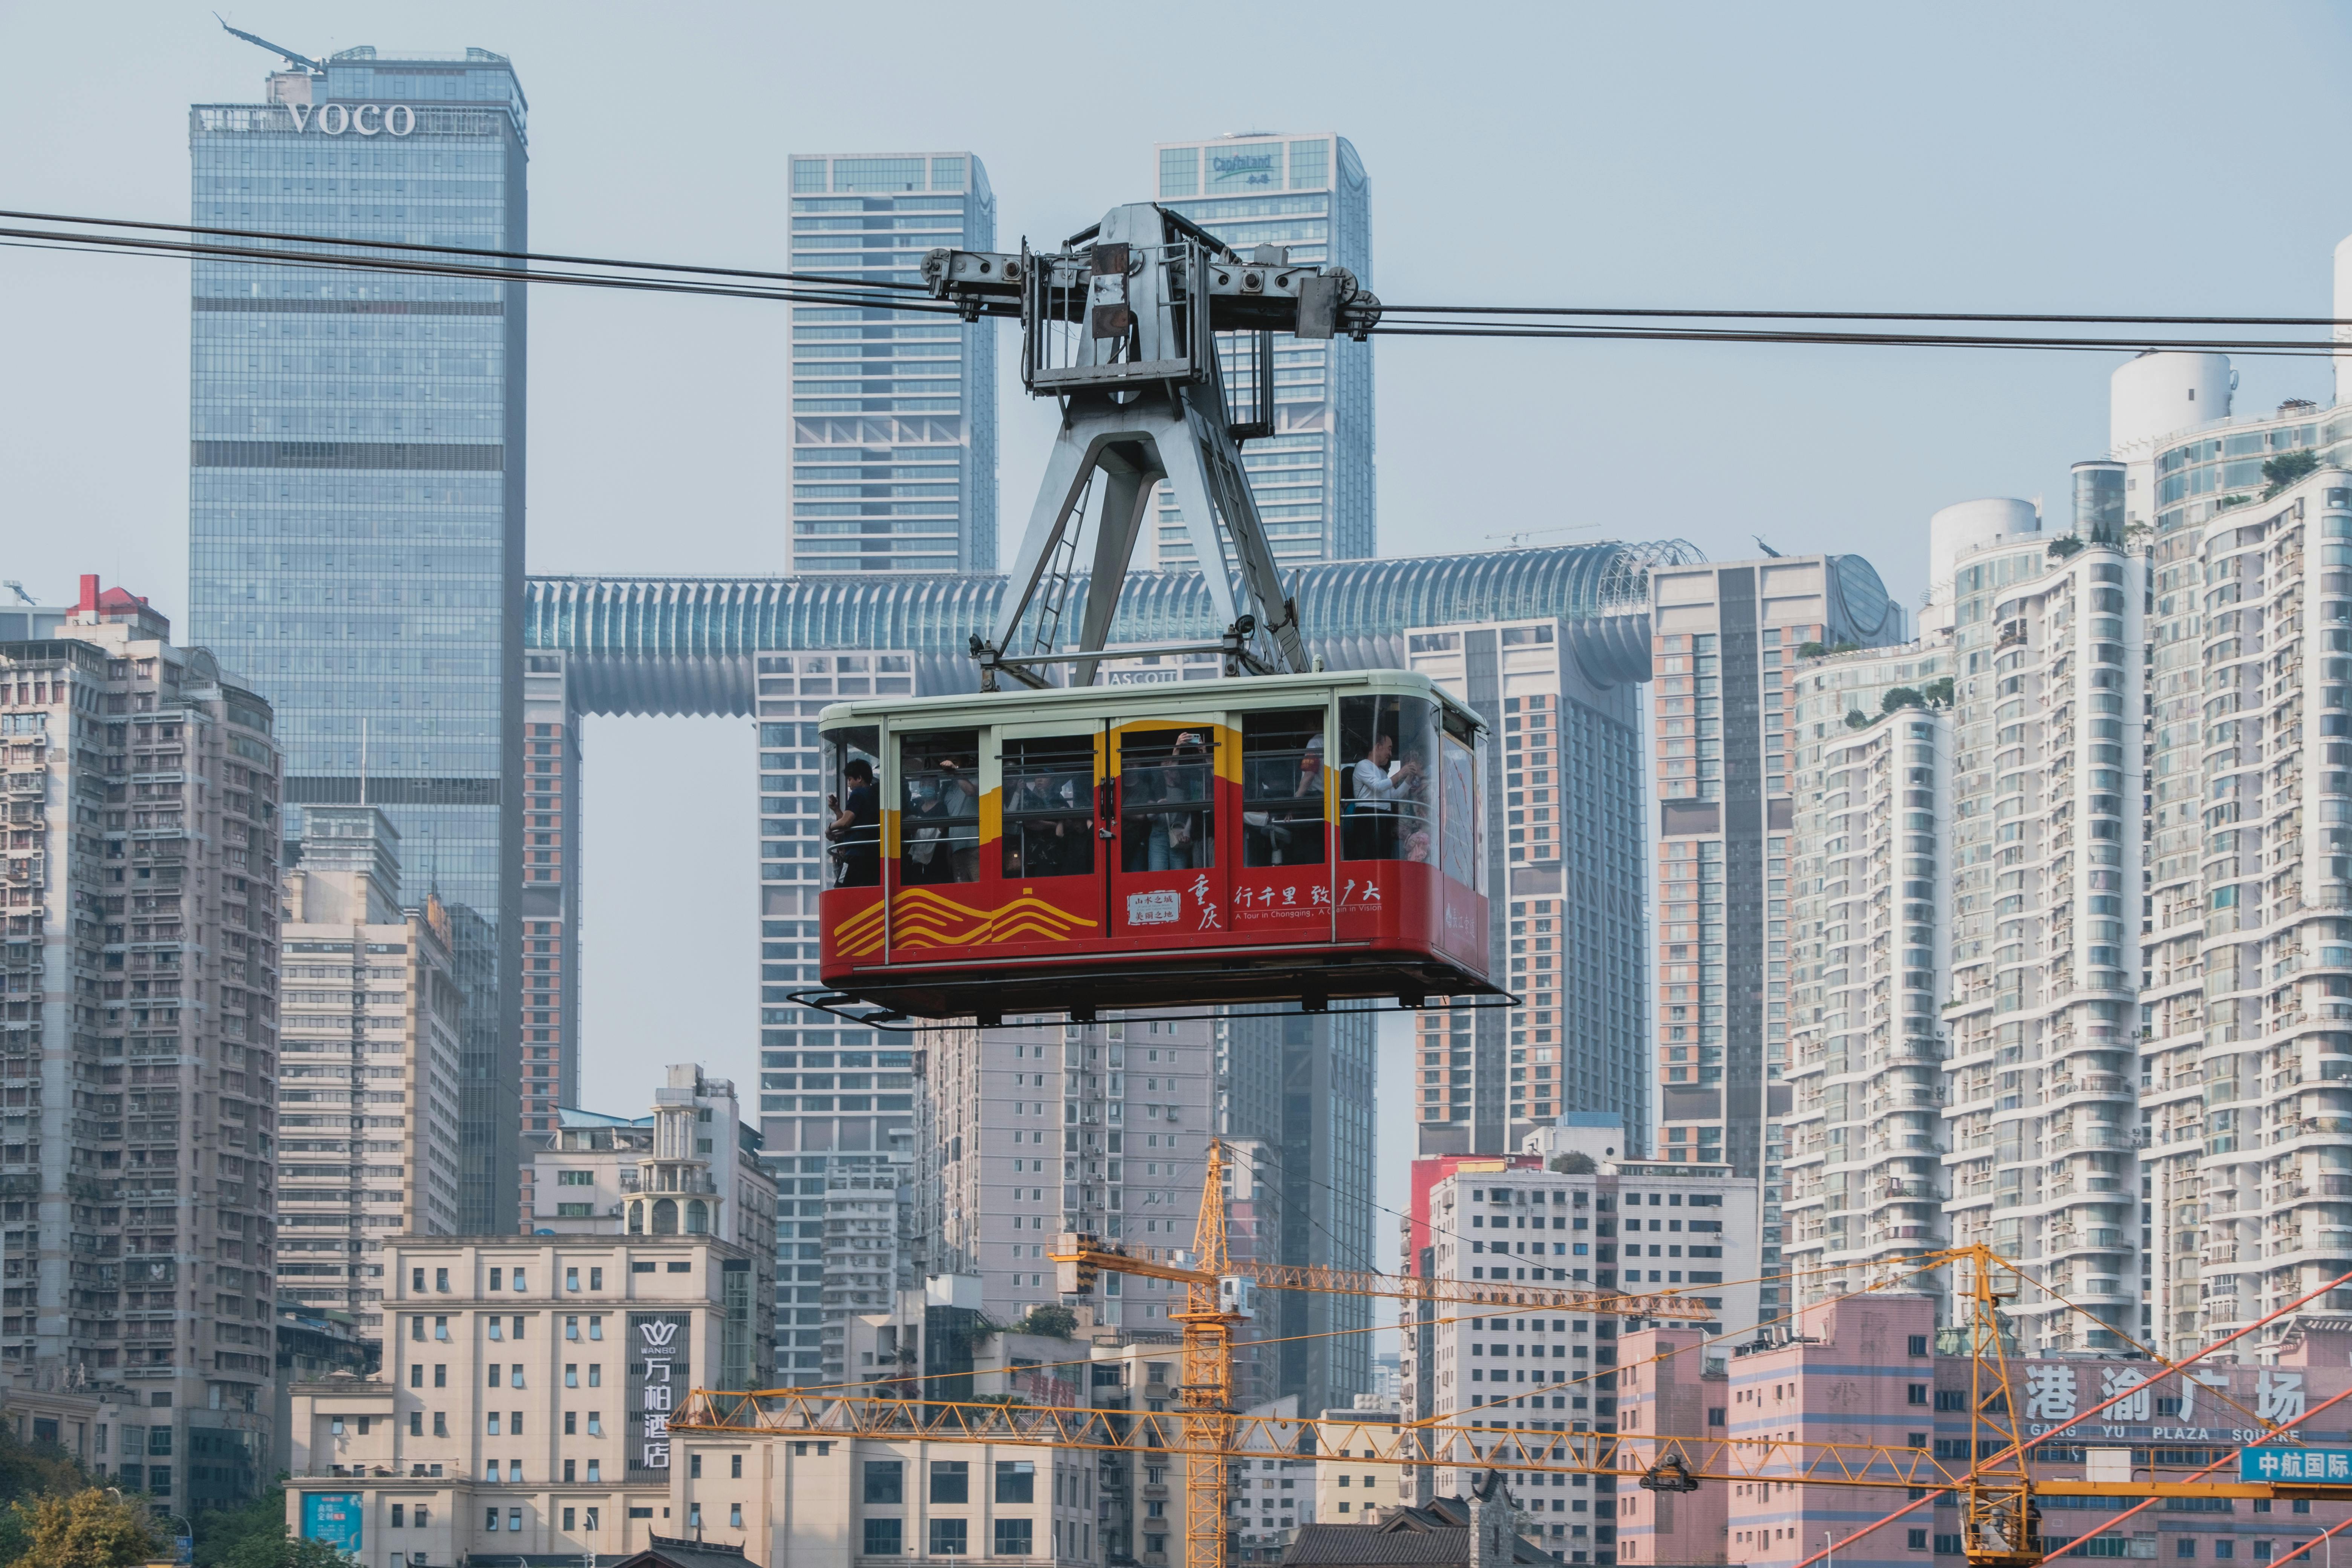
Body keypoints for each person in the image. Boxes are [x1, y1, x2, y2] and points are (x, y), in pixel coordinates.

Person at [1349, 730, 1422, 859]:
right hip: (1368, 817)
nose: (1390, 754)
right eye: (1389, 749)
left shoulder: (1382, 772)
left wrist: (1409, 778)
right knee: (1369, 856)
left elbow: (1394, 797)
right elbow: (1378, 786)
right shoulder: (1363, 765)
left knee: (1383, 856)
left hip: (1383, 817)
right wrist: (1401, 773)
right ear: (1378, 746)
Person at [1148, 732, 1210, 871]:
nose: (1168, 764)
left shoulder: (1183, 784)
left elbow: (1191, 811)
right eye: (1164, 761)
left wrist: (1186, 832)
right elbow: (1149, 817)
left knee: (1179, 875)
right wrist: (1157, 809)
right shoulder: (1156, 786)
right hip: (1159, 835)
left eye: (1170, 761)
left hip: (1180, 833)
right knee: (1157, 874)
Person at [827, 758, 880, 887]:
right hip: (872, 854)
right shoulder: (873, 795)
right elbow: (852, 823)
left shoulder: (858, 794)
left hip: (856, 855)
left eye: (850, 779)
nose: (849, 784)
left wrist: (830, 828)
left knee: (840, 889)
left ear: (859, 778)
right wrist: (837, 810)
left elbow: (845, 822)